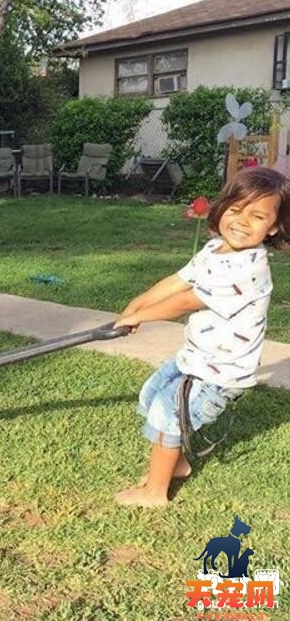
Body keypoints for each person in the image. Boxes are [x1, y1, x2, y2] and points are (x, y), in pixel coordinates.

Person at [113, 167, 290, 507]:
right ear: (222, 208)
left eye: (257, 216)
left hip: (220, 373)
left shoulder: (248, 268)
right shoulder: (215, 249)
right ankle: (176, 463)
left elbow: (185, 301)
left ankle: (154, 492)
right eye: (236, 209)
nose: (241, 221)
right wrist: (136, 303)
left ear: (273, 226)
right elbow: (178, 281)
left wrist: (141, 317)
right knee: (152, 395)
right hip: (196, 357)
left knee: (168, 415)